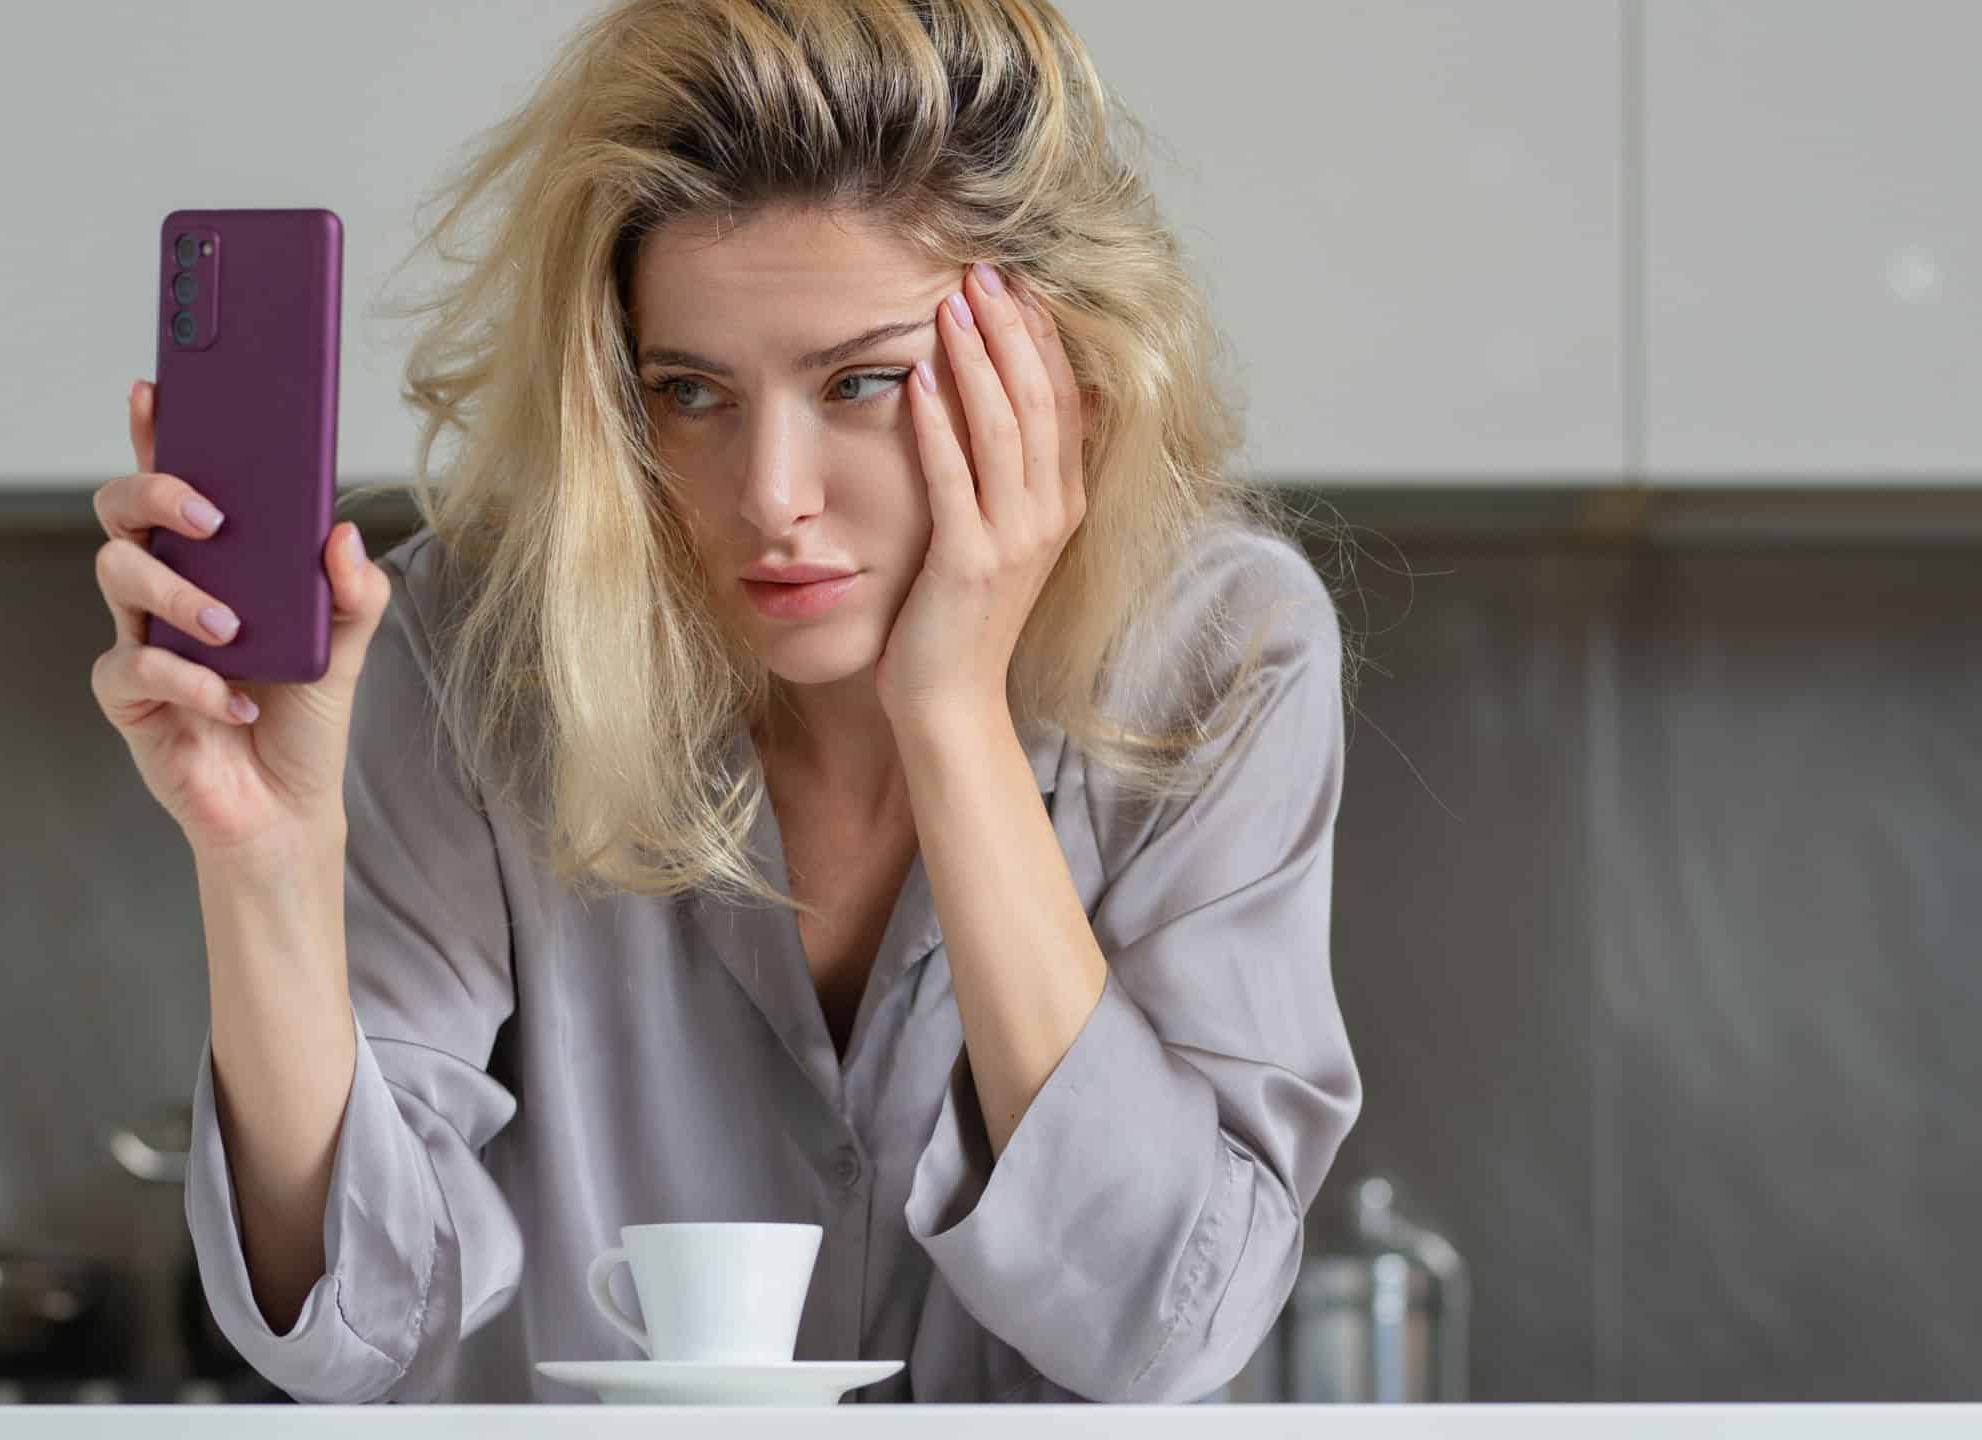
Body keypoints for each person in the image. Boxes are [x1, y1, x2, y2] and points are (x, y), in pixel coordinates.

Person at [89, 0, 1359, 1405]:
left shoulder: (1220, 649)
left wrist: (953, 718)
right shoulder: (462, 647)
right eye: (692, 393)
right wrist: (265, 871)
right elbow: (365, 1332)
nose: (771, 498)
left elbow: (1160, 1326)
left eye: (864, 382)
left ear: (1058, 376)